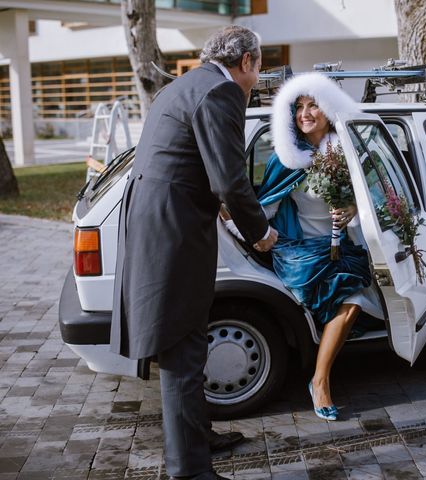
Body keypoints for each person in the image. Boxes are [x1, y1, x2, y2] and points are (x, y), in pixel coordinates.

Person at [110, 26, 278, 480]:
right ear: (246, 61)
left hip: (162, 222)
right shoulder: (222, 91)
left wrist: (220, 208)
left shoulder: (182, 85)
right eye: (258, 67)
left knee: (190, 336)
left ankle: (199, 436)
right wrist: (259, 231)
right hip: (175, 230)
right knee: (183, 349)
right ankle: (189, 472)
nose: (256, 78)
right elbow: (229, 179)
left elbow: (190, 159)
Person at [223, 73, 383, 421]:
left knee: (354, 300)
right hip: (300, 252)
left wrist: (353, 212)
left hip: (346, 247)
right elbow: (267, 205)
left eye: (313, 105)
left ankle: (320, 380)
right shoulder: (286, 158)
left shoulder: (350, 155)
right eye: (299, 107)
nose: (305, 113)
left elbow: (377, 199)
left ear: (328, 108)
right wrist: (233, 220)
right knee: (340, 295)